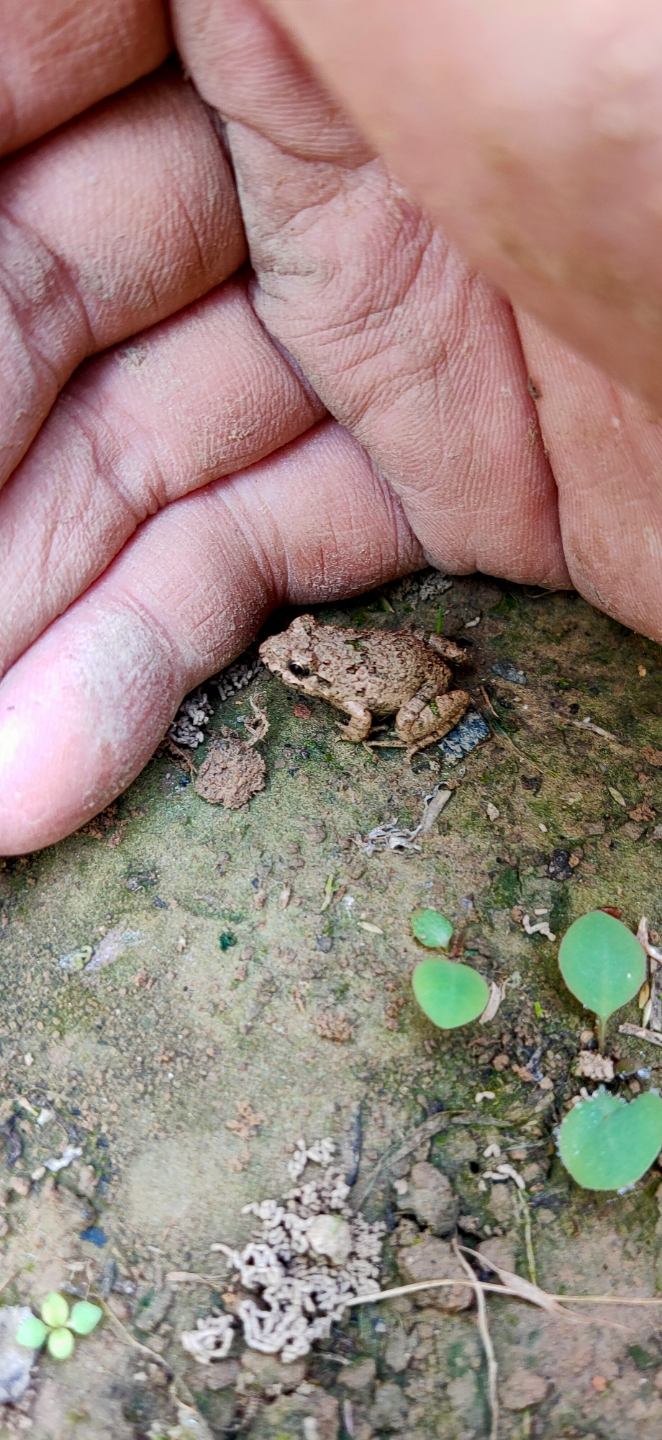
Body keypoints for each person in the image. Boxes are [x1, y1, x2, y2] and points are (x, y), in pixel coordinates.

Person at [1, 0, 661, 854]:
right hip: (418, 623)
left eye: (296, 663)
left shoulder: (336, 685)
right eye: (299, 655)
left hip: (409, 680)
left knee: (416, 706)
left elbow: (359, 711)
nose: (287, 657)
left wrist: (374, 727)